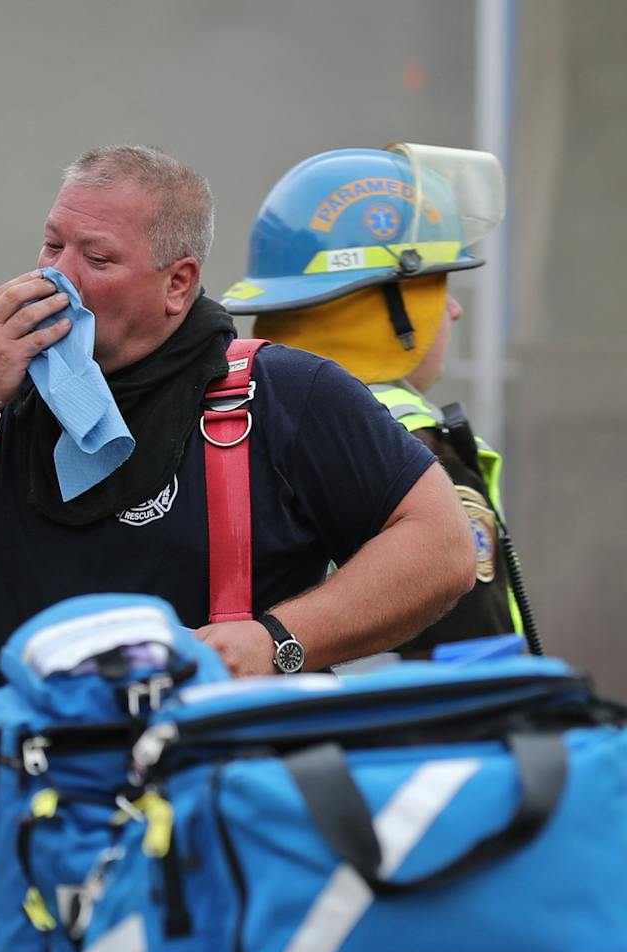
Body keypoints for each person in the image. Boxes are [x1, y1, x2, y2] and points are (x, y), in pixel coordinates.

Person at [0, 144, 475, 704]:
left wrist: (277, 640)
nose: (57, 279)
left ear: (178, 284)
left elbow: (442, 546)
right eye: (51, 245)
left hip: (222, 825)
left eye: (96, 260)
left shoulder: (283, 395)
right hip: (27, 827)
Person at [221, 143, 535, 656]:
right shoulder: (405, 440)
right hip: (403, 732)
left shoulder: (232, 416)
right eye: (436, 285)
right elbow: (470, 659)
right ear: (386, 306)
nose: (454, 310)